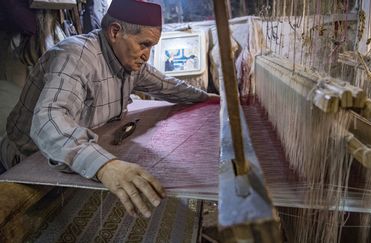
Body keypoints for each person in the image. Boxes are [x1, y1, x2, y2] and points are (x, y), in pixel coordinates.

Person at [0, 0, 219, 218]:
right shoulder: (75, 56)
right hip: (30, 156)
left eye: (151, 47)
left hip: (64, 149)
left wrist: (207, 98)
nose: (147, 55)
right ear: (115, 32)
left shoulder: (128, 62)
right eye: (144, 44)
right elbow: (48, 120)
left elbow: (168, 86)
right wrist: (106, 166)